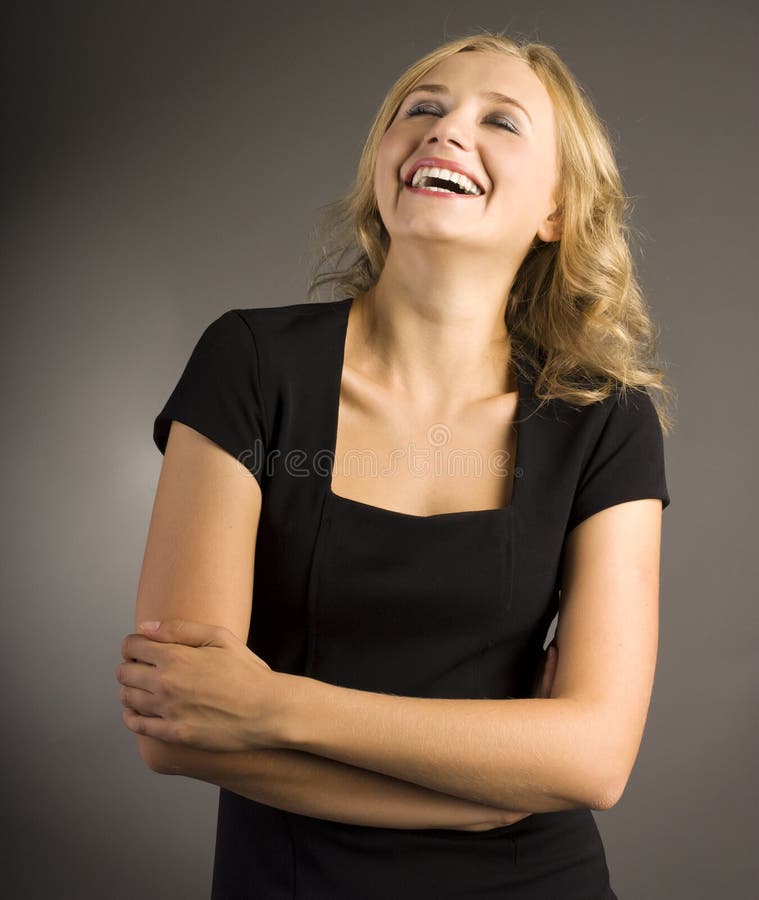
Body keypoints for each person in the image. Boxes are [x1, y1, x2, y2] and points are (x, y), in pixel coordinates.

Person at [117, 30, 673, 899]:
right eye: (423, 109)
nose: (446, 132)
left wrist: (270, 707)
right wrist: (484, 798)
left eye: (501, 121)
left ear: (557, 211)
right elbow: (176, 726)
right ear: (385, 164)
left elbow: (594, 761)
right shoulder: (249, 363)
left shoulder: (605, 418)